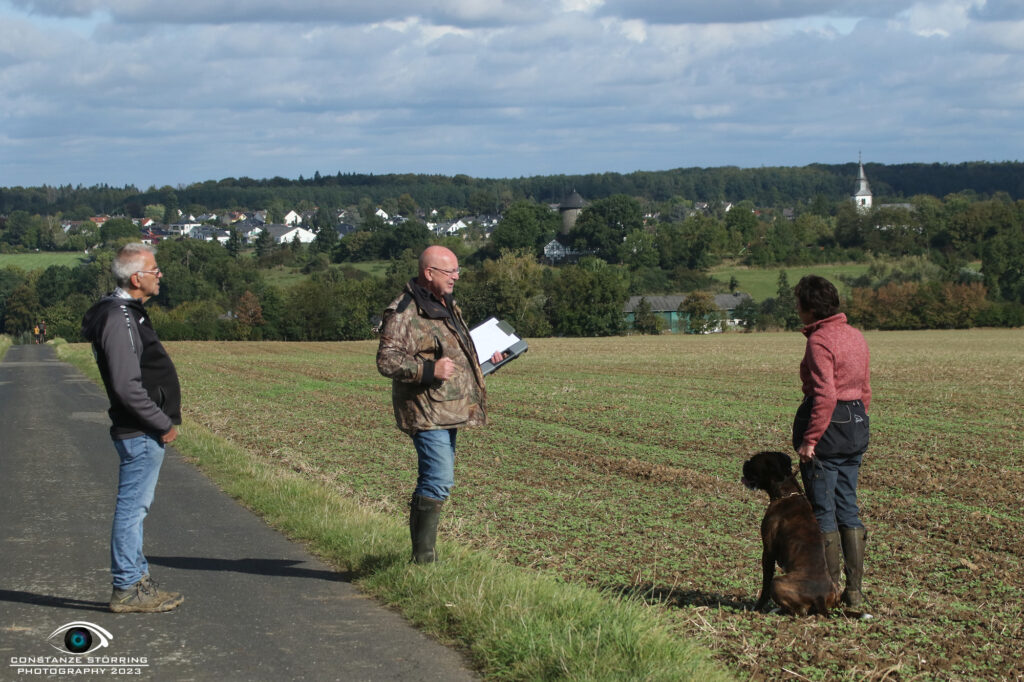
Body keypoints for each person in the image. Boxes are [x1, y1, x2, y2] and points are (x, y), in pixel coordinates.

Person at [376, 246, 504, 563]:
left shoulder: (442, 303)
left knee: (438, 479)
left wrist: (486, 359)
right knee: (438, 479)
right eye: (451, 272)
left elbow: (452, 351)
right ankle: (422, 561)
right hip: (425, 411)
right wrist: (430, 370)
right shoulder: (404, 311)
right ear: (429, 273)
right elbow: (387, 361)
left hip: (447, 409)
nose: (457, 277)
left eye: (458, 271)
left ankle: (422, 558)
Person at [81, 243, 184, 613]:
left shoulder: (126, 313)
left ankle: (137, 580)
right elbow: (127, 385)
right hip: (141, 430)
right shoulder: (120, 318)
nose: (160, 276)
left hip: (141, 429)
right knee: (132, 510)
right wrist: (162, 422)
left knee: (135, 508)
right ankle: (127, 588)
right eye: (155, 270)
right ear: (137, 277)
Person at [792, 275, 871, 610]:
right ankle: (855, 595)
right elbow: (865, 387)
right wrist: (858, 419)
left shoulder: (820, 341)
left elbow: (825, 394)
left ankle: (831, 593)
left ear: (810, 308)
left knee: (824, 511)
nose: (797, 311)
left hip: (828, 426)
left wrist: (811, 440)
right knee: (848, 508)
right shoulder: (856, 336)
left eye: (799, 305)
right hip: (856, 424)